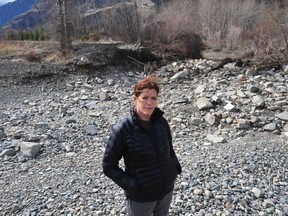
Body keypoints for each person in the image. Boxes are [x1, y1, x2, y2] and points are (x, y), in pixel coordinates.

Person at [102, 75, 182, 216]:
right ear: (135, 99)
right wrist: (133, 186)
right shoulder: (123, 129)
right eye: (145, 98)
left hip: (166, 190)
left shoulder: (161, 122)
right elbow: (109, 166)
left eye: (153, 98)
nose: (149, 103)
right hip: (141, 197)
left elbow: (169, 148)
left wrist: (174, 168)